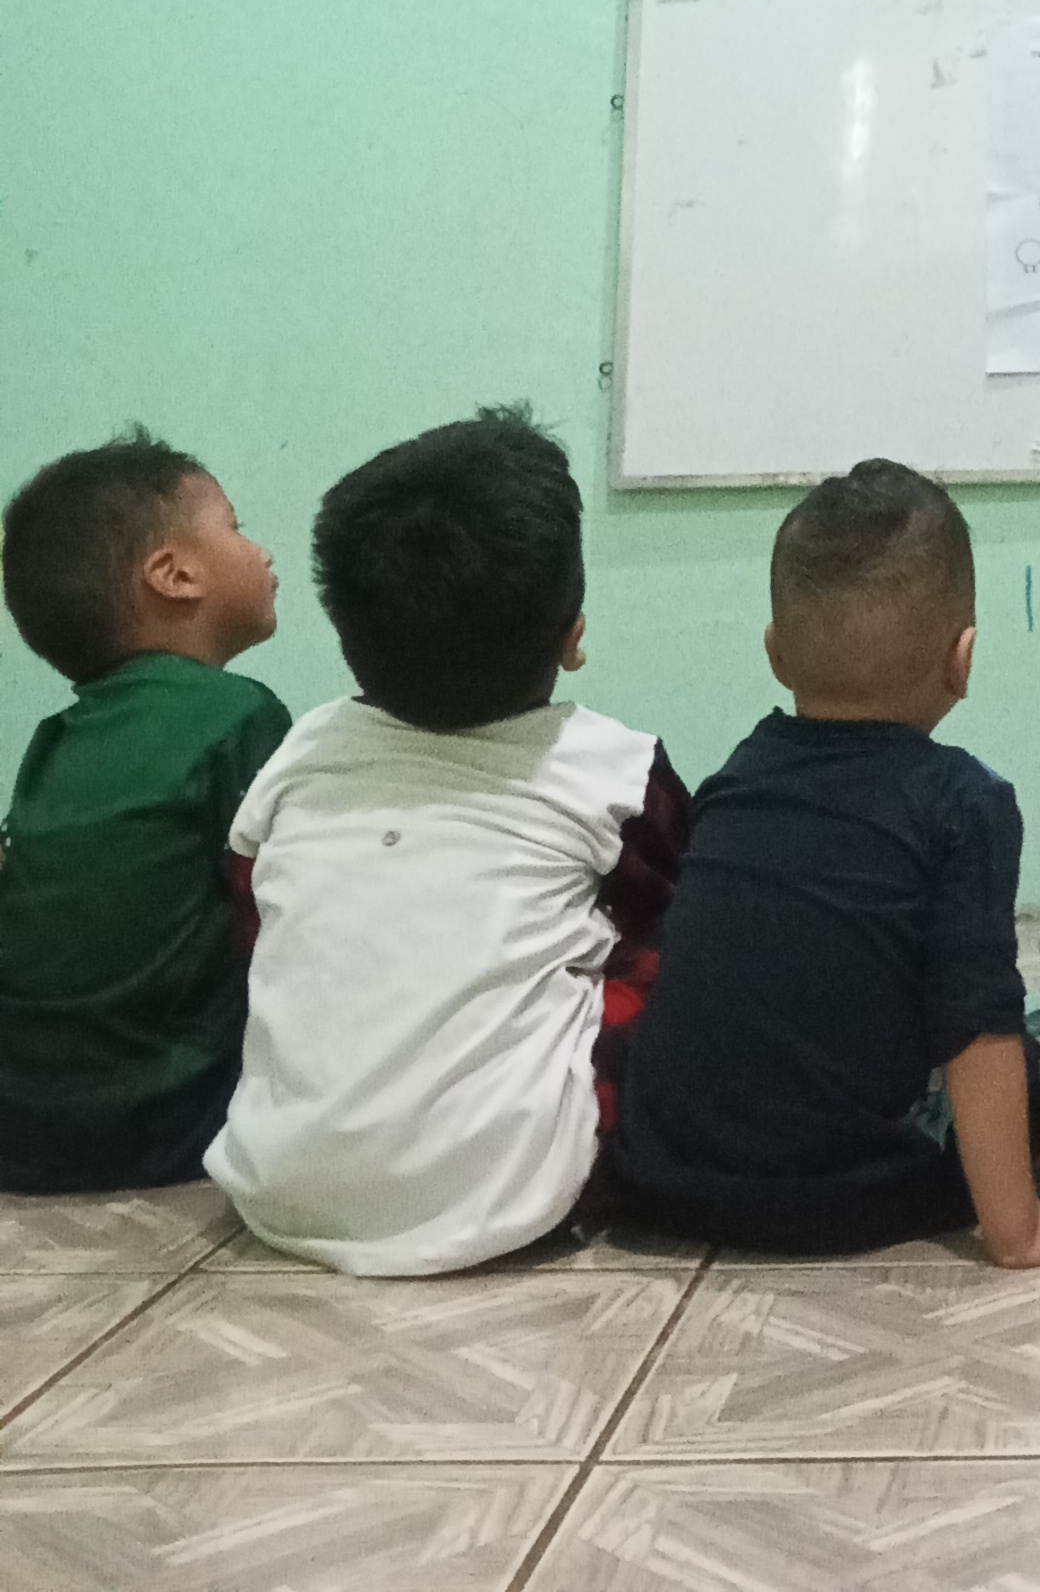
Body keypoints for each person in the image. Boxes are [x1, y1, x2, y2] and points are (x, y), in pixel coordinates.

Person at [206, 409, 688, 1275]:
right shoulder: (614, 771)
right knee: (672, 954)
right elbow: (679, 911)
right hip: (513, 1198)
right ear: (573, 637)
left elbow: (256, 929)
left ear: (346, 634)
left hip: (276, 1184)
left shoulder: (301, 756)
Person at [614, 463, 1040, 1269]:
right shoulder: (965, 803)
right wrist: (1018, 1230)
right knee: (1026, 1055)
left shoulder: (736, 778)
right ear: (963, 658)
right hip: (844, 1200)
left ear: (776, 654)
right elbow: (975, 1027)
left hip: (665, 1181)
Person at [0, 432, 285, 1193]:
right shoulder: (238, 713)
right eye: (236, 527)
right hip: (162, 1127)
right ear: (175, 576)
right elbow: (291, 917)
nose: (262, 551)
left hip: (20, 1129)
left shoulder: (53, 741)